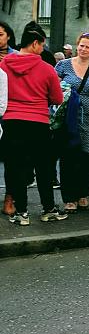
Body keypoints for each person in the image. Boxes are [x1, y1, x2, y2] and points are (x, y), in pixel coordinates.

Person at [0, 21, 66, 225]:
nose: (42, 49)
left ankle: (21, 213)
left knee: (15, 167)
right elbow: (57, 98)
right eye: (42, 45)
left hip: (11, 122)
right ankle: (48, 209)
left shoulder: (4, 64)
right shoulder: (46, 69)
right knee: (44, 167)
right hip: (38, 122)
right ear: (36, 43)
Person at [56, 32, 89, 212]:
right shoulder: (62, 65)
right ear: (76, 45)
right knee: (69, 157)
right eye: (81, 45)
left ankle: (83, 192)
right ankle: (69, 197)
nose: (83, 49)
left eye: (88, 46)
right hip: (68, 118)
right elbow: (54, 89)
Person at [0, 20, 17, 215]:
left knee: (12, 160)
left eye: (0, 34)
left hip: (10, 112)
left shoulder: (15, 57)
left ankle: (9, 198)